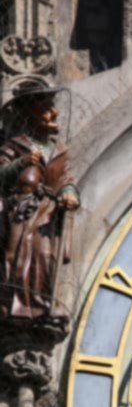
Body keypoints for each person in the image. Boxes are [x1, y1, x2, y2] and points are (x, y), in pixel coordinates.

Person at [0, 91, 79, 319]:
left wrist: (69, 194)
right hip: (20, 209)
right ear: (31, 115)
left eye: (52, 108)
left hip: (47, 212)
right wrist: (21, 163)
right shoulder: (16, 145)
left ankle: (41, 303)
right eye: (45, 109)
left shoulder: (58, 151)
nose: (53, 113)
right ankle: (10, 303)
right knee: (15, 254)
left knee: (44, 256)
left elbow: (66, 179)